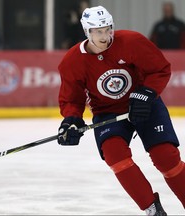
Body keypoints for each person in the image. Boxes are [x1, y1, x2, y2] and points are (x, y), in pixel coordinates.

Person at [57, 5, 185, 215]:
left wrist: (146, 93)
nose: (105, 36)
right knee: (115, 155)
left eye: (108, 29)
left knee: (166, 158)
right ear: (87, 32)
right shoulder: (72, 62)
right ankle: (152, 209)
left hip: (144, 105)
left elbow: (160, 69)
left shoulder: (131, 42)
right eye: (98, 31)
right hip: (108, 113)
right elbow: (72, 98)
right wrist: (71, 120)